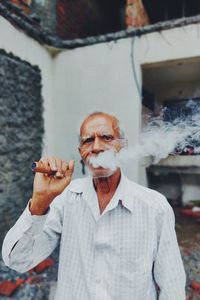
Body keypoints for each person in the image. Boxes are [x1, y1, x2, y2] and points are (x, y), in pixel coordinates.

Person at [2, 111, 186, 299]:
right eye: (88, 141)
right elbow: (17, 260)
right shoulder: (66, 198)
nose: (96, 147)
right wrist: (40, 201)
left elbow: (172, 286)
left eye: (106, 138)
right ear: (81, 152)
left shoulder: (154, 207)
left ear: (122, 145)